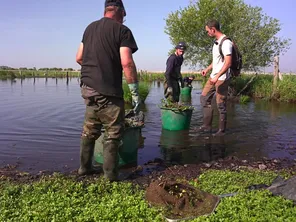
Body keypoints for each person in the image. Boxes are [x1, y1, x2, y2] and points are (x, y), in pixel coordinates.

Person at [75, 0, 140, 181]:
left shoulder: (89, 28)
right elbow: (126, 62)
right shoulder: (122, 31)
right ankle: (110, 176)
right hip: (109, 91)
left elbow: (79, 57)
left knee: (90, 130)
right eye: (124, 16)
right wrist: (134, 91)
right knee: (113, 133)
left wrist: (96, 68)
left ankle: (84, 168)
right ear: (120, 11)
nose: (124, 19)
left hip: (88, 89)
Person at [198, 19, 233, 136]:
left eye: (208, 31)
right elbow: (216, 61)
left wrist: (217, 76)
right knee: (204, 98)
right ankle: (207, 126)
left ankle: (221, 131)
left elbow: (228, 63)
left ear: (213, 29)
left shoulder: (226, 43)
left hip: (222, 79)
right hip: (213, 77)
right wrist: (207, 69)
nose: (207, 33)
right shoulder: (216, 42)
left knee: (220, 104)